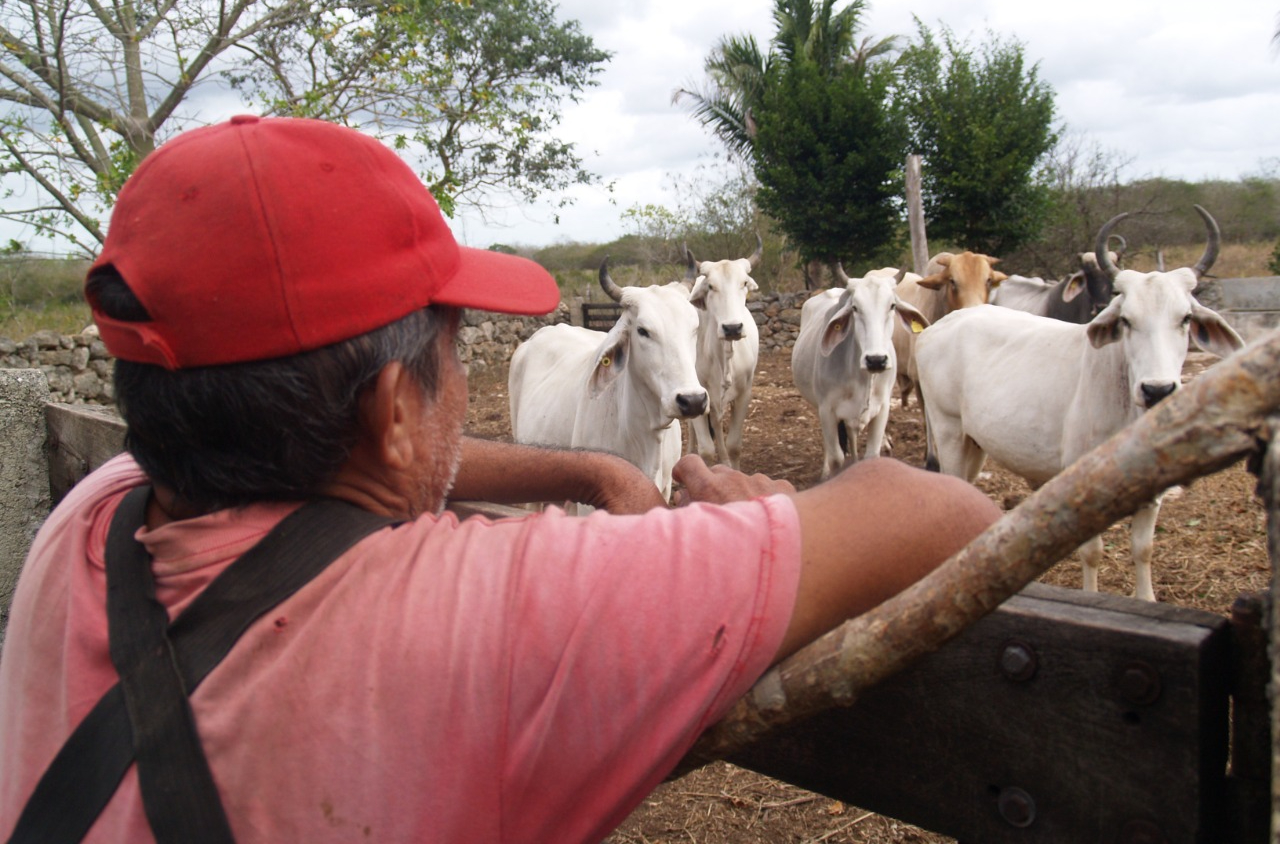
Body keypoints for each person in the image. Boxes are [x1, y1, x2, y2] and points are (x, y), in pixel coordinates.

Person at [0, 116, 999, 844]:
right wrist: (770, 514)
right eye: (454, 349)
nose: (466, 376)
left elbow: (358, 460)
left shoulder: (95, 521)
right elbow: (945, 511)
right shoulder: (502, 608)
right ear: (393, 415)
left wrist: (582, 468)